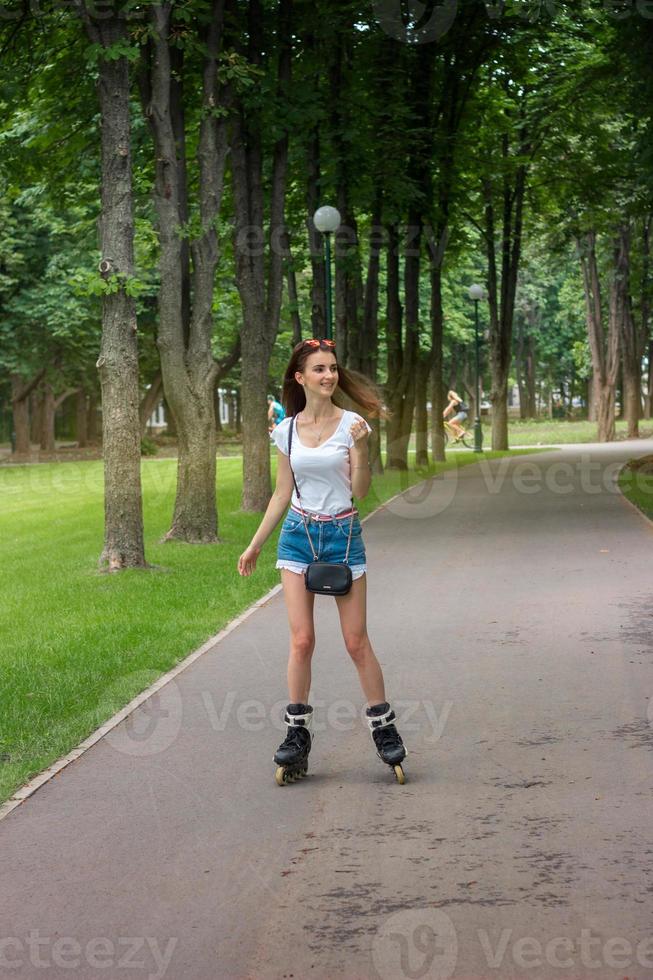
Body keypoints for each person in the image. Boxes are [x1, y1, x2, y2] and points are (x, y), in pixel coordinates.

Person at [237, 338, 407, 784]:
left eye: (332, 368)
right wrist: (256, 544)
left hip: (343, 536)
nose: (328, 375)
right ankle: (297, 736)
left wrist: (363, 450)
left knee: (355, 641)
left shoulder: (353, 425)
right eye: (318, 369)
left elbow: (362, 491)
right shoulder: (285, 431)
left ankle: (383, 727)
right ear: (300, 377)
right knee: (301, 641)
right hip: (297, 536)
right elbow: (280, 492)